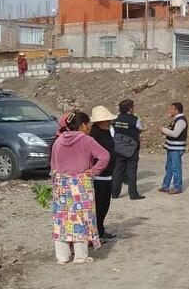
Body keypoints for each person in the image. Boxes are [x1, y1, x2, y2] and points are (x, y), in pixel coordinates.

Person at [51, 111, 110, 264]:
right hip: (80, 184)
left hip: (61, 184)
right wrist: (94, 171)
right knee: (81, 219)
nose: (89, 127)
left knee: (62, 220)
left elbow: (53, 165)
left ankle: (62, 257)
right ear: (82, 125)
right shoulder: (87, 140)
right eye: (88, 124)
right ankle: (80, 256)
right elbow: (105, 156)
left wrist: (55, 184)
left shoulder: (58, 141)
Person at [89, 106, 118, 240]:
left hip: (108, 174)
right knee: (98, 207)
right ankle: (96, 232)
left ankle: (100, 230)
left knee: (104, 205)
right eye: (105, 120)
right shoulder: (93, 135)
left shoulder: (107, 132)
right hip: (98, 176)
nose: (108, 122)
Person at [111, 99, 145, 200]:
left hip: (118, 148)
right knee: (131, 172)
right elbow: (140, 129)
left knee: (117, 171)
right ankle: (133, 194)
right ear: (130, 108)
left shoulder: (115, 119)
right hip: (132, 149)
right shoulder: (135, 119)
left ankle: (115, 193)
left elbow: (112, 131)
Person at [159, 102, 187, 195]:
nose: (169, 111)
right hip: (171, 147)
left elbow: (175, 134)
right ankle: (165, 186)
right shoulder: (175, 120)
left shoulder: (181, 121)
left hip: (176, 148)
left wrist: (164, 130)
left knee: (176, 167)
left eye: (171, 109)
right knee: (169, 167)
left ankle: (177, 187)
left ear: (176, 110)